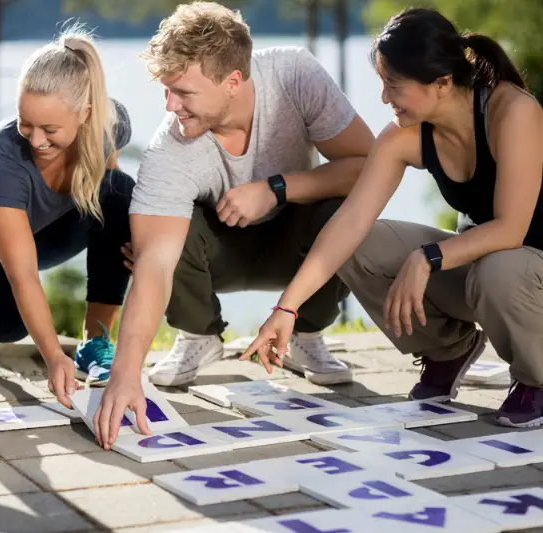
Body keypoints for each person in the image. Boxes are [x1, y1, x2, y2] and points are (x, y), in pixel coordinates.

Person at [242, 7, 543, 428]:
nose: (385, 98)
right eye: (383, 83)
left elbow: (512, 229)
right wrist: (286, 308)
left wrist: (428, 257)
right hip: (489, 272)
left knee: (500, 267)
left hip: (525, 273)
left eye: (394, 85)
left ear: (441, 82)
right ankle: (447, 349)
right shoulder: (404, 135)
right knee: (358, 244)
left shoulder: (512, 111)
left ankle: (536, 378)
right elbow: (350, 223)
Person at [92, 1, 375, 448]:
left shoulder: (295, 75)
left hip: (296, 247)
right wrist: (126, 377)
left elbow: (369, 167)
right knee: (152, 238)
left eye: (183, 92)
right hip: (219, 255)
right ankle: (198, 335)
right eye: (166, 90)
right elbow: (155, 267)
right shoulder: (171, 151)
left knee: (347, 206)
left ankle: (305, 331)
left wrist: (275, 188)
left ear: (233, 81)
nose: (171, 106)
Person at [0, 26, 134, 407]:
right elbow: (23, 277)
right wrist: (54, 358)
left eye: (50, 129)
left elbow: (109, 179)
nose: (36, 140)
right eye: (26, 123)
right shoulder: (2, 159)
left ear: (86, 114)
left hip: (37, 231)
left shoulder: (109, 123)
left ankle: (96, 341)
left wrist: (136, 243)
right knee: (9, 325)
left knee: (119, 193)